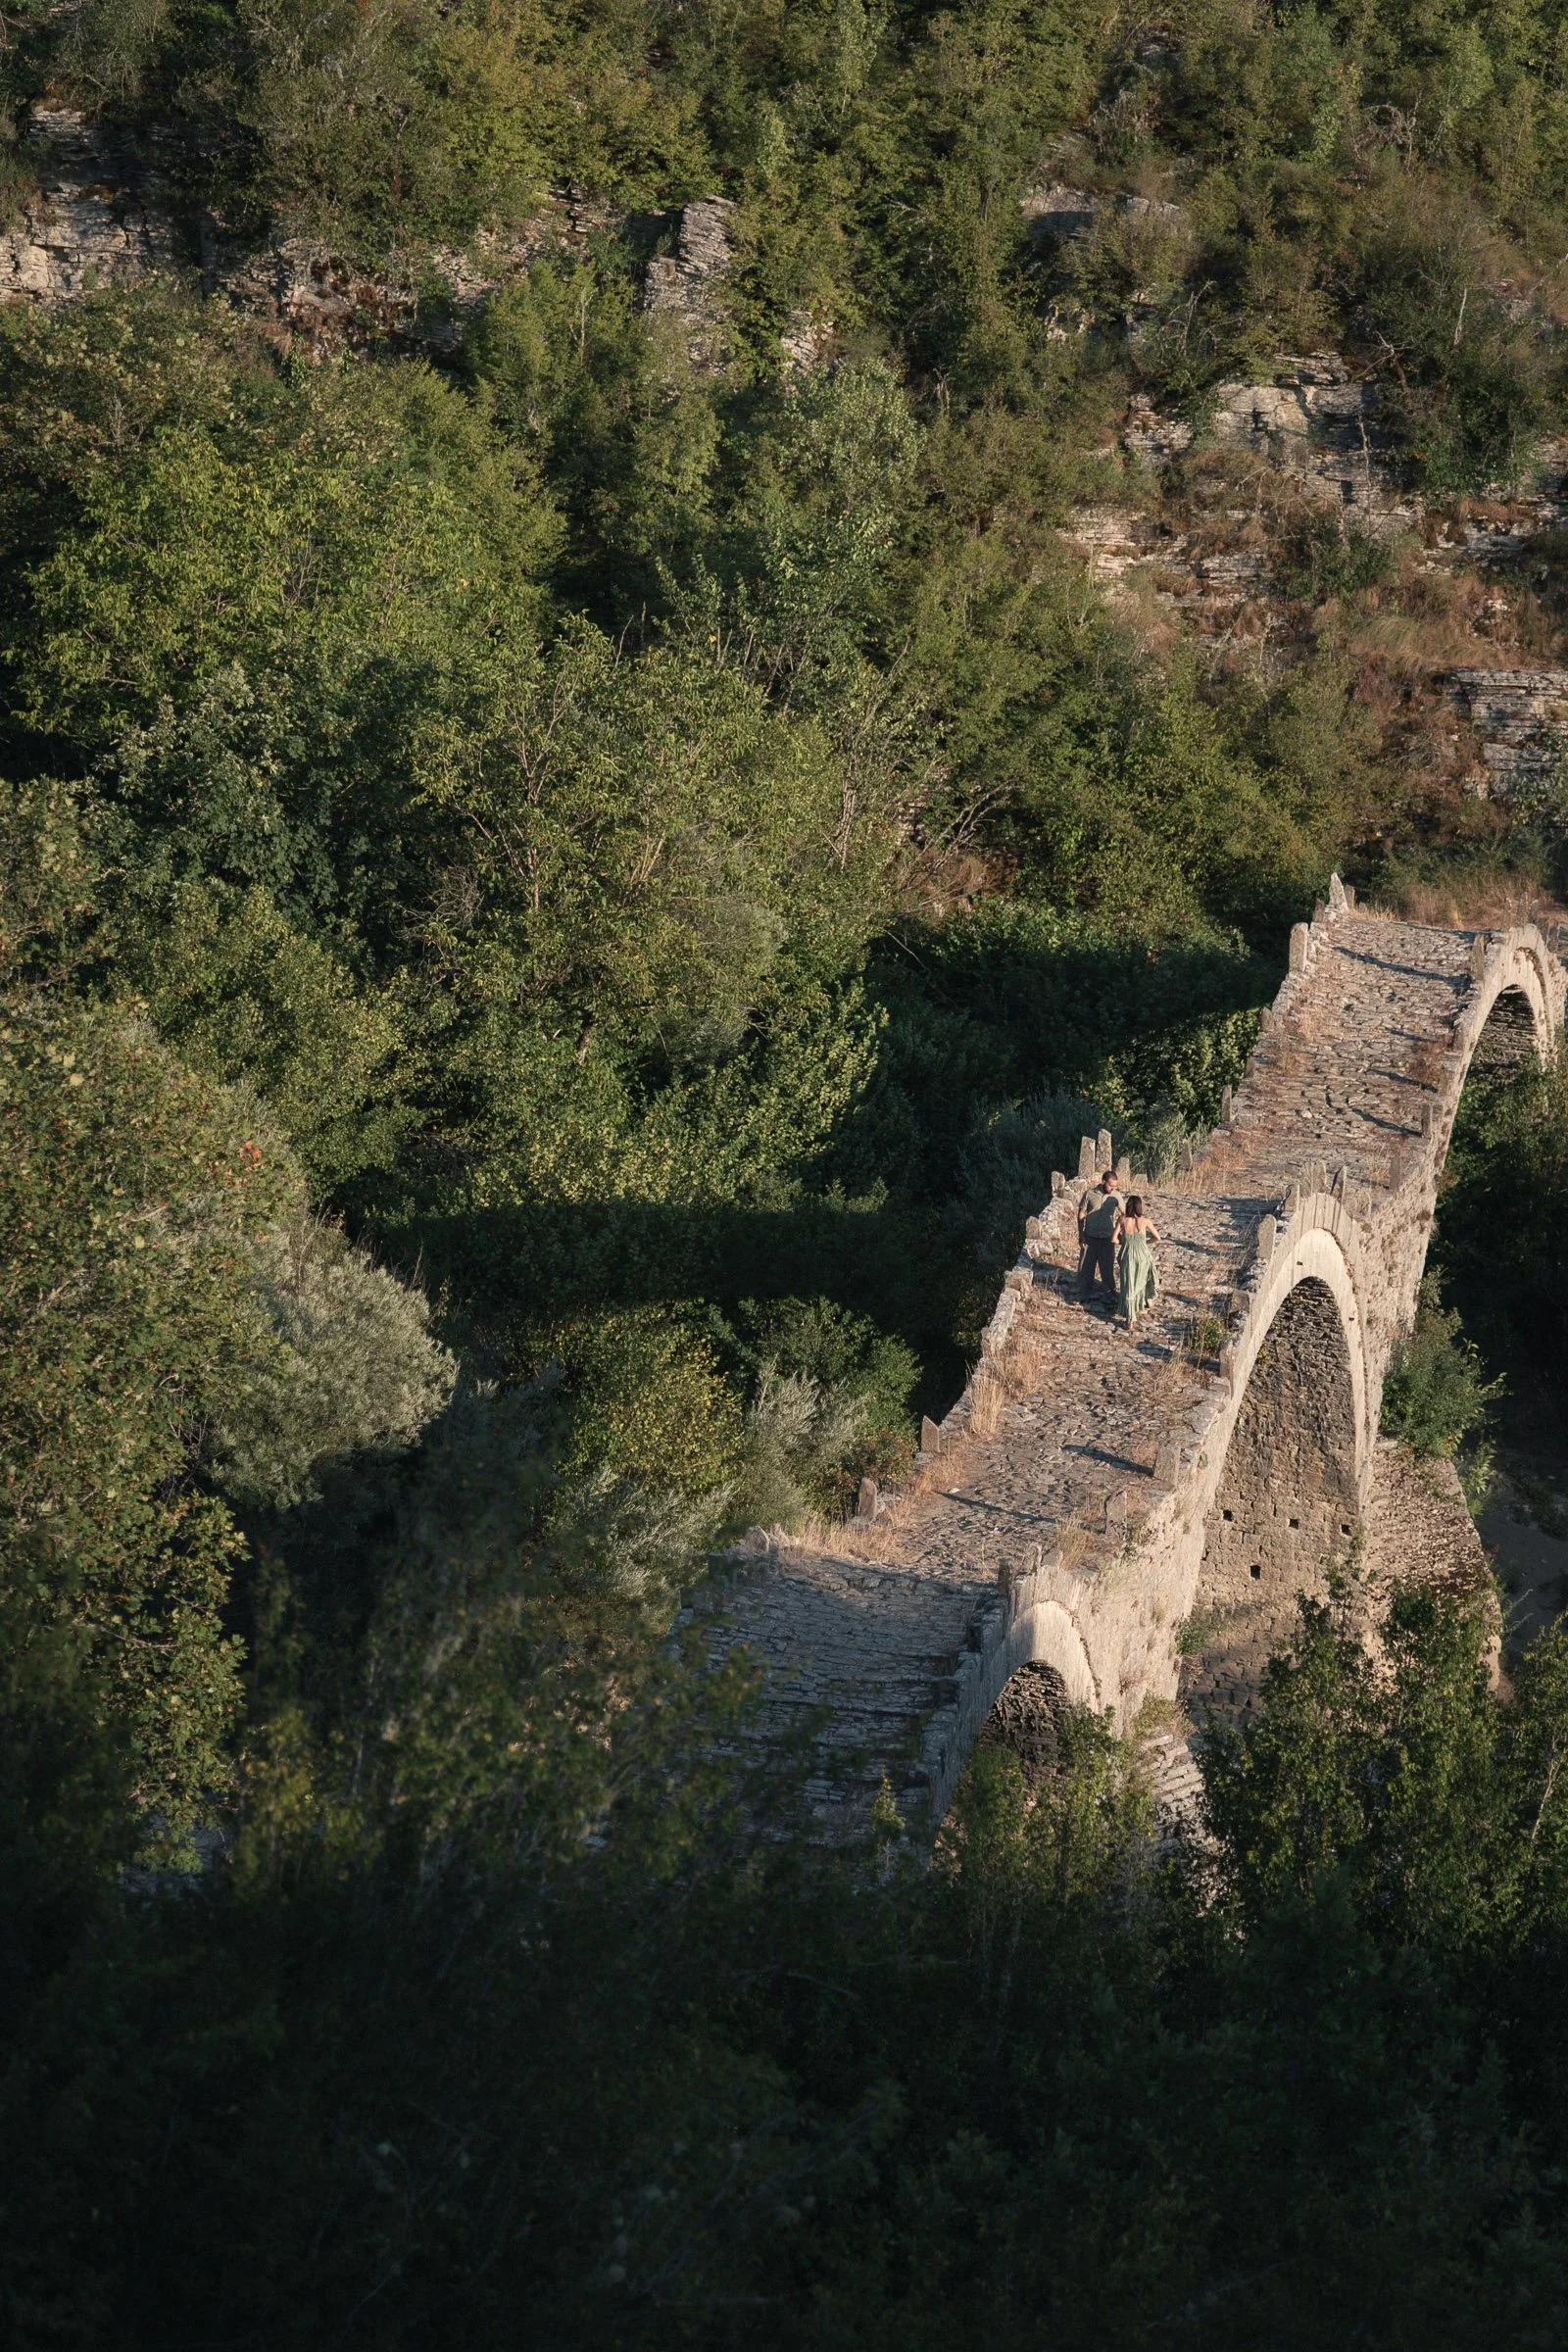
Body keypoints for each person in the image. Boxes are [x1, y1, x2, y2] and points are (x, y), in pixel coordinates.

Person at [1078, 1168, 1123, 1306]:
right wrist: (1081, 1235)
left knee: (1107, 1268)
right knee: (1085, 1268)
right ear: (1103, 1181)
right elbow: (1081, 1214)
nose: (1112, 1188)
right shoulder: (1089, 1194)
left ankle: (1110, 1295)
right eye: (1110, 1185)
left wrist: (1119, 1232)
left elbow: (1125, 1214)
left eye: (1115, 1186)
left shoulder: (1116, 1196)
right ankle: (1083, 1294)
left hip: (1107, 1238)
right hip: (1090, 1237)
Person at [1116, 1194, 1161, 1331]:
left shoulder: (1122, 1219)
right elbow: (1157, 1237)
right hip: (1142, 1255)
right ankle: (1145, 1301)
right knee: (1141, 1280)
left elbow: (1113, 1239)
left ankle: (1130, 1319)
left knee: (1128, 1284)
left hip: (1127, 1255)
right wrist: (1144, 1243)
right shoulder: (1145, 1221)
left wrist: (1124, 1242)